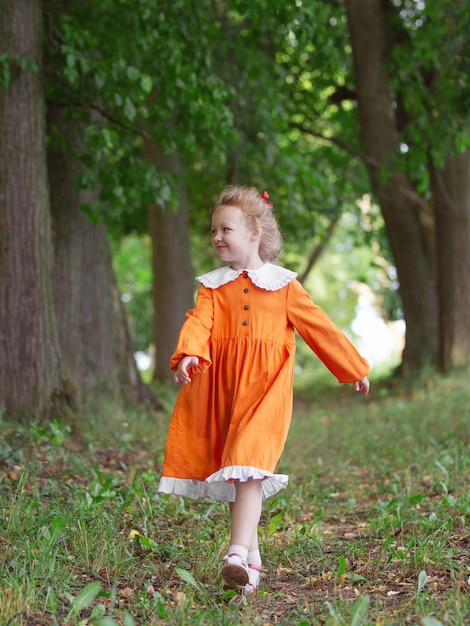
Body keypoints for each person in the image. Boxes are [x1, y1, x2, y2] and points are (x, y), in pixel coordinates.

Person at [158, 185, 370, 595]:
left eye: (226, 229)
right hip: (221, 389)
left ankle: (236, 551)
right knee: (238, 473)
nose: (217, 237)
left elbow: (319, 328)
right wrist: (188, 354)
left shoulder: (284, 285)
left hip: (265, 392)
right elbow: (199, 322)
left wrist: (352, 367)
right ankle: (250, 566)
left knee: (249, 463)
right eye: (214, 231)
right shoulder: (212, 287)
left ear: (254, 232)